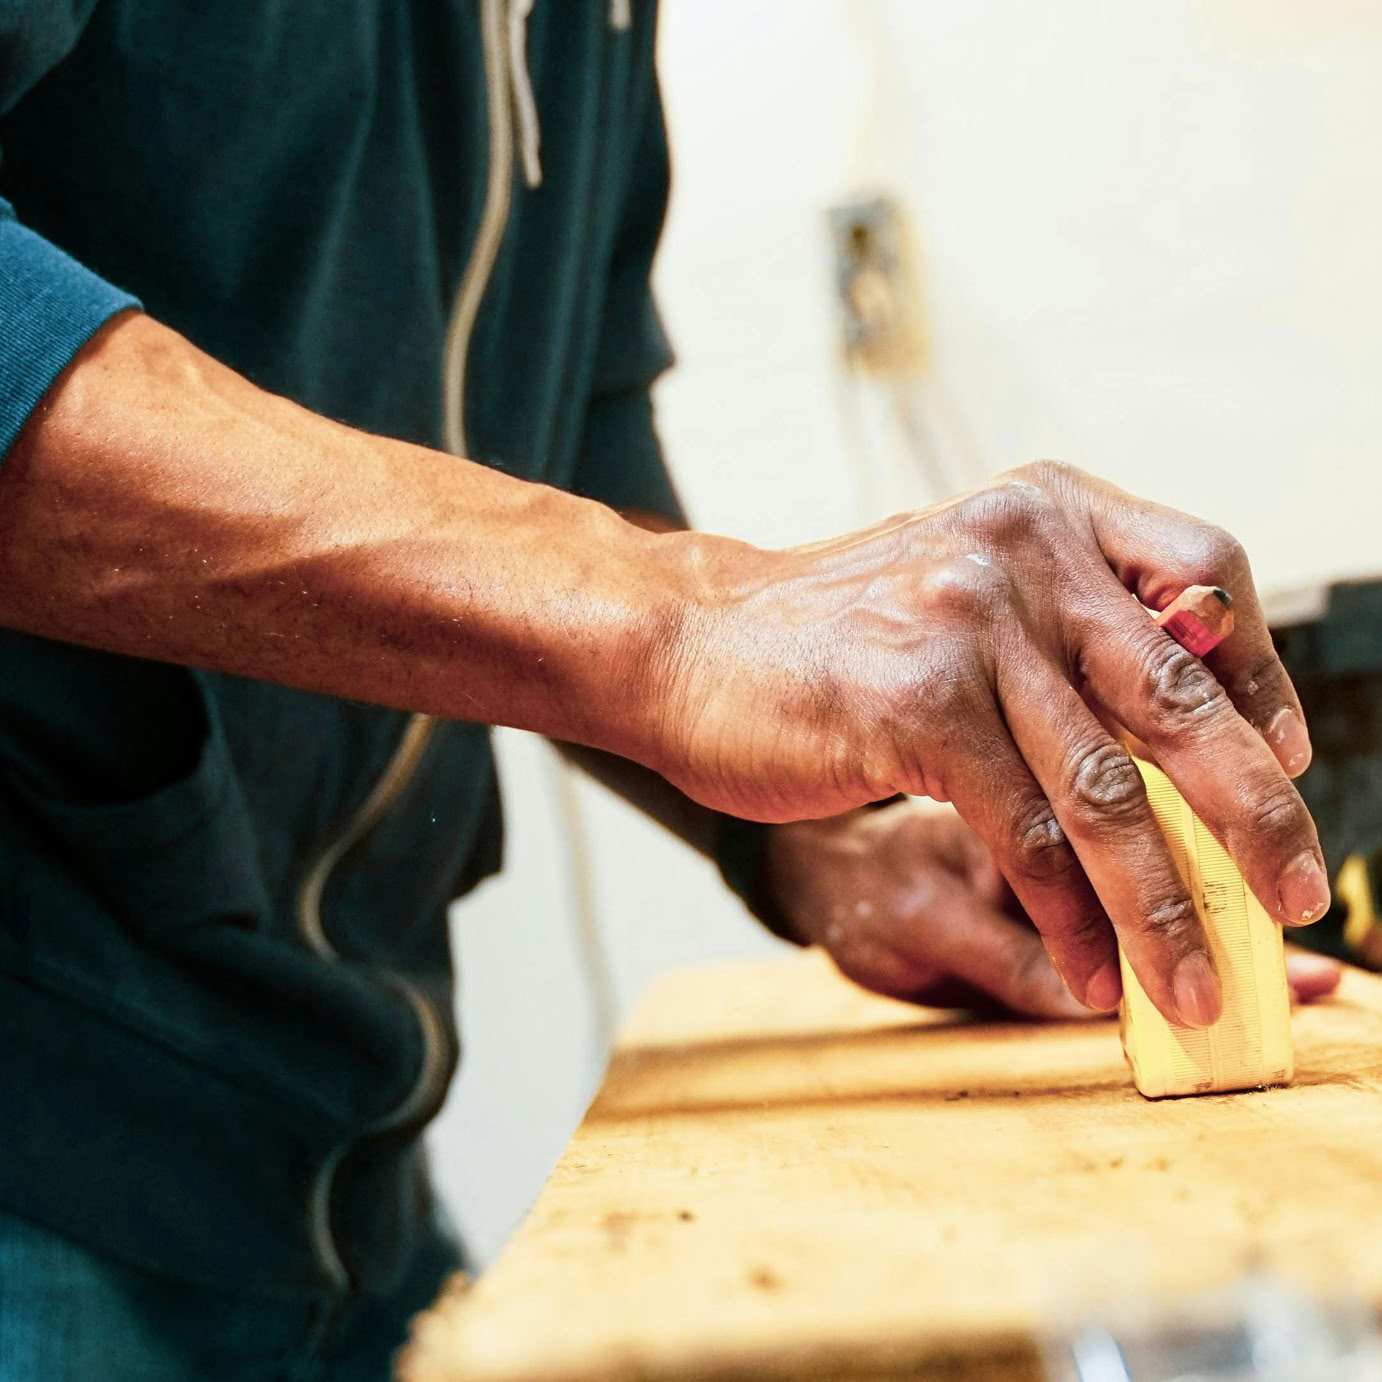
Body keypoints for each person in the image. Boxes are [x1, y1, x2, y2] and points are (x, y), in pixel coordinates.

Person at [0, 2, 1339, 1377]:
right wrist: (685, 618)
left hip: (350, 1139)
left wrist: (811, 832)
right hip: (45, 1146)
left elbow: (567, 416)